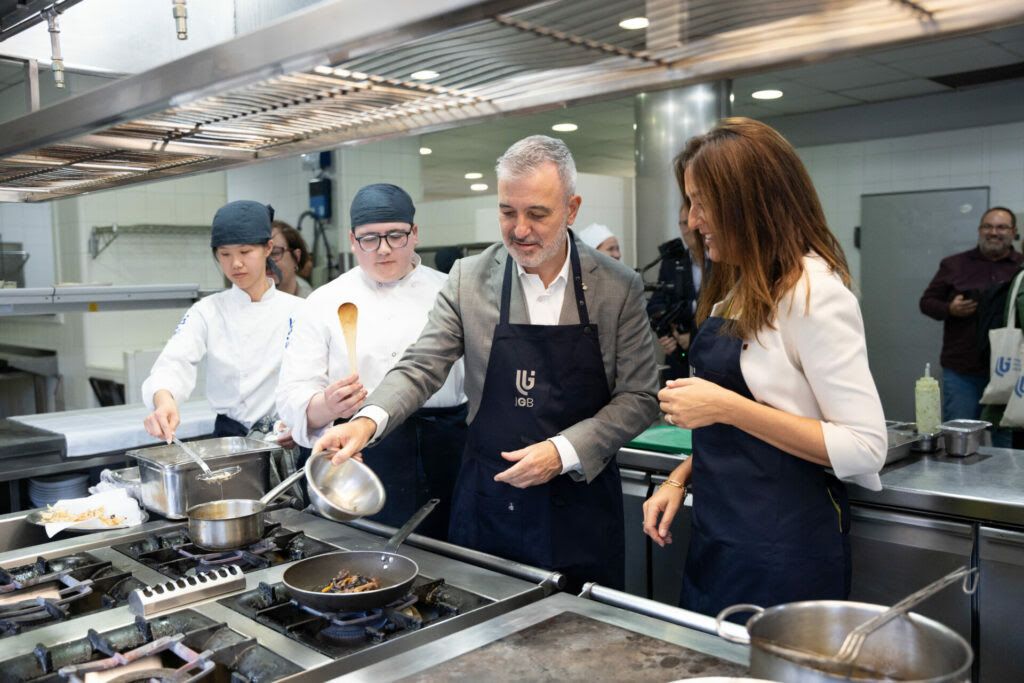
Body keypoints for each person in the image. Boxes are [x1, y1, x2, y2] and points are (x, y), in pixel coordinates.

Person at [313, 135, 660, 590]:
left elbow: (639, 397)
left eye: (537, 213)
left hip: (578, 507)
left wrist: (561, 452)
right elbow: (421, 366)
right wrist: (365, 422)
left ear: (571, 209)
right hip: (488, 504)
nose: (519, 229)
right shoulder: (469, 278)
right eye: (507, 212)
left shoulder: (617, 287)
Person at [642, 118, 886, 619]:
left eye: (702, 202)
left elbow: (865, 448)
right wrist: (680, 477)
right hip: (719, 537)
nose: (692, 220)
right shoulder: (741, 289)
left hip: (784, 551)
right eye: (690, 203)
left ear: (749, 203)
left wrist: (728, 408)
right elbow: (750, 431)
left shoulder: (815, 293)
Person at [276, 183, 468, 540]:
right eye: (369, 238)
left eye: (395, 235)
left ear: (415, 234)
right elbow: (292, 396)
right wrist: (324, 405)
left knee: (452, 558)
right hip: (360, 455)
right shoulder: (322, 302)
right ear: (352, 240)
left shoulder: (452, 292)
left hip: (447, 449)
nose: (382, 249)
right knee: (364, 560)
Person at [143, 200, 303, 440]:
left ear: (268, 248)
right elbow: (174, 363)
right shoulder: (207, 311)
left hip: (288, 436)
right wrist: (164, 400)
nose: (235, 263)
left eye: (245, 252)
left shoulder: (299, 311)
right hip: (230, 441)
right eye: (225, 254)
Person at [920, 207, 1022, 421]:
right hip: (962, 370)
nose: (994, 232)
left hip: (1009, 368)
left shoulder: (1022, 267)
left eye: (1001, 227)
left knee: (1007, 439)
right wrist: (950, 309)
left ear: (1014, 231)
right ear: (979, 230)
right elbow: (927, 303)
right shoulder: (954, 264)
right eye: (988, 226)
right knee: (960, 436)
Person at [647, 206, 704, 381]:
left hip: (708, 362)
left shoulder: (722, 264)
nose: (689, 228)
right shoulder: (672, 263)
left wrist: (692, 338)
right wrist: (665, 336)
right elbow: (655, 304)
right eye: (683, 223)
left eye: (692, 221)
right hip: (677, 362)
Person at [270, 221, 314, 298]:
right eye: (261, 256)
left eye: (275, 253)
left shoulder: (313, 303)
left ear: (296, 257)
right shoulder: (247, 304)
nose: (266, 262)